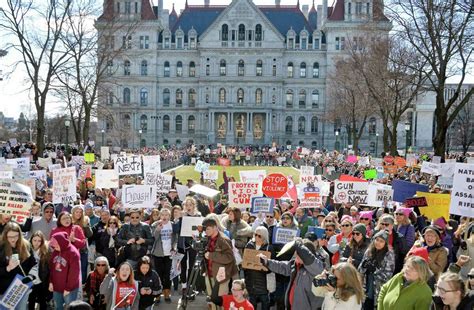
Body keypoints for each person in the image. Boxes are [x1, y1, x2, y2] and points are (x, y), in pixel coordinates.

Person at [259, 238, 326, 309]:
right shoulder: (296, 264)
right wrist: (267, 262)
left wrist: (298, 245)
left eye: (298, 252)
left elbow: (310, 260)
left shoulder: (317, 268)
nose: (295, 254)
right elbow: (282, 266)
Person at [0, 222, 39, 309]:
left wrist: (31, 276)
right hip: (4, 290)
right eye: (10, 237)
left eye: (16, 236)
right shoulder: (1, 246)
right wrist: (8, 268)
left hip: (21, 288)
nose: (13, 239)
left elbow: (34, 265)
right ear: (5, 235)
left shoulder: (26, 245)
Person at [202, 217, 238, 309]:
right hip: (209, 273)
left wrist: (211, 255)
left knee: (222, 301)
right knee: (212, 299)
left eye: (207, 229)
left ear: (215, 227)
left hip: (221, 276)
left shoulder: (223, 240)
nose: (205, 231)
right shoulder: (208, 238)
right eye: (204, 229)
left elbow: (229, 258)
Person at [358, 230, 396, 310]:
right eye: (377, 239)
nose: (378, 243)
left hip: (378, 289)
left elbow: (388, 275)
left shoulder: (389, 254)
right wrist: (364, 266)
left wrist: (375, 270)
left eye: (381, 241)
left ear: (385, 243)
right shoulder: (369, 251)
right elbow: (360, 269)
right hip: (366, 285)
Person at [243, 226, 274, 310]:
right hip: (251, 282)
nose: (256, 237)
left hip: (263, 283)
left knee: (265, 304)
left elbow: (272, 266)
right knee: (251, 305)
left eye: (259, 236)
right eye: (255, 234)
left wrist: (263, 267)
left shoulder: (269, 248)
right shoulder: (249, 245)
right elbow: (245, 262)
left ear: (264, 236)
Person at [49, 231, 81, 310]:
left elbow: (74, 274)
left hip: (69, 289)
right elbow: (52, 268)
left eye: (56, 246)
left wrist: (68, 288)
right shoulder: (55, 251)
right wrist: (51, 282)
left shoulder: (73, 253)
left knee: (70, 308)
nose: (54, 248)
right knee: (57, 307)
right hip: (56, 287)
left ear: (62, 242)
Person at [151, 208, 176, 303]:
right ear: (160, 216)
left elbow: (175, 238)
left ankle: (166, 294)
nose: (164, 217)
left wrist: (174, 248)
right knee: (158, 275)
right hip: (158, 254)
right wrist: (157, 230)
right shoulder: (155, 224)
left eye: (167, 215)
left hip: (169, 254)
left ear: (169, 216)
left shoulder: (173, 225)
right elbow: (153, 238)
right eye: (163, 215)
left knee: (167, 275)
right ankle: (157, 295)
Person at [28, 231, 52, 310]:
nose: (37, 243)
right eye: (35, 240)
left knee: (42, 300)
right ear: (31, 240)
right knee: (31, 300)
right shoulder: (27, 250)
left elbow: (49, 268)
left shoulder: (46, 251)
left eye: (39, 241)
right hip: (30, 280)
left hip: (41, 280)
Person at [71, 205, 93, 283]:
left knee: (83, 268)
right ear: (73, 213)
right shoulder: (68, 221)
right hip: (72, 250)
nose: (79, 214)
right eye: (77, 212)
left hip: (83, 249)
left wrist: (86, 225)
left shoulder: (85, 221)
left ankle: (82, 284)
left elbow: (90, 235)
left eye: (80, 212)